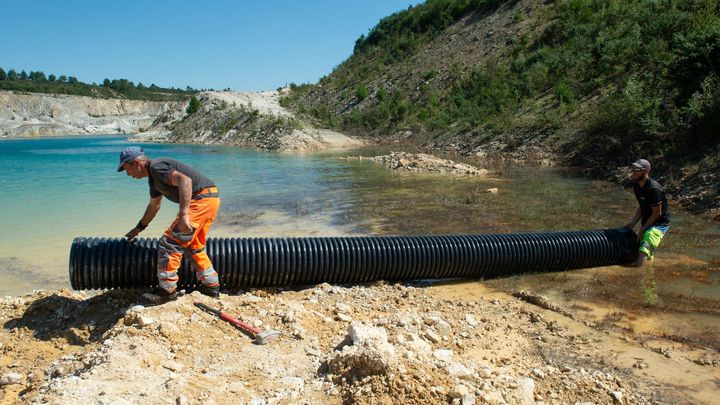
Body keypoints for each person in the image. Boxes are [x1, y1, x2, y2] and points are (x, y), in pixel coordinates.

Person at [117, 146, 221, 304]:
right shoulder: (154, 180)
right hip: (209, 199)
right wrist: (139, 228)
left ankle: (167, 292)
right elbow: (154, 206)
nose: (128, 174)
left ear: (136, 163)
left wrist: (184, 214)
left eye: (127, 169)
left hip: (201, 200)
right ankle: (211, 287)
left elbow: (185, 181)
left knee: (169, 243)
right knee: (193, 246)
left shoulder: (156, 166)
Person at [624, 158, 670, 267]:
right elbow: (642, 207)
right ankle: (649, 273)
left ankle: (638, 277)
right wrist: (631, 224)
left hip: (659, 224)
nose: (633, 172)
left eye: (637, 170)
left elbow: (657, 213)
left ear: (645, 172)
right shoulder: (637, 185)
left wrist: (642, 230)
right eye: (633, 169)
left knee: (643, 249)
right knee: (648, 253)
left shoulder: (653, 189)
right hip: (647, 221)